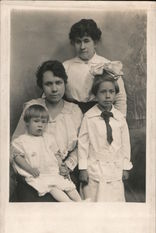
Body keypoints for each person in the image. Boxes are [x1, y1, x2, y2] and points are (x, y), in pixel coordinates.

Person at [12, 60, 83, 199]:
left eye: (58, 82)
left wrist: (67, 166)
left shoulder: (74, 111)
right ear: (42, 86)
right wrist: (27, 169)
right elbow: (15, 143)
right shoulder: (32, 107)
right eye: (48, 84)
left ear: (65, 83)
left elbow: (81, 146)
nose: (54, 89)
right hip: (33, 173)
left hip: (63, 172)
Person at [78, 64, 133, 202]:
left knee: (114, 201)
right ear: (96, 94)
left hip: (114, 168)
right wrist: (83, 168)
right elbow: (83, 144)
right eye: (103, 92)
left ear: (115, 93)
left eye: (111, 92)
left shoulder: (119, 118)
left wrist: (125, 167)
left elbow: (125, 145)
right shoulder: (89, 117)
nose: (107, 96)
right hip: (94, 168)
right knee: (95, 200)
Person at [11, 104, 81, 202]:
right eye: (36, 121)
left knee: (68, 185)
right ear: (27, 122)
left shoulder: (48, 138)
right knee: (52, 187)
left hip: (52, 170)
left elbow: (56, 154)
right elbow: (17, 157)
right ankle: (69, 203)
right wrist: (29, 169)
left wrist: (61, 165)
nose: (40, 125)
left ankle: (80, 202)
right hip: (38, 174)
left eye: (43, 122)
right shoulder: (21, 141)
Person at [63, 19, 127, 115]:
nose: (82, 47)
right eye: (78, 42)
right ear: (73, 43)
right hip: (72, 115)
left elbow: (120, 98)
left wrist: (119, 122)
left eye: (86, 41)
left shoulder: (108, 65)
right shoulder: (65, 66)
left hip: (100, 116)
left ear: (95, 43)